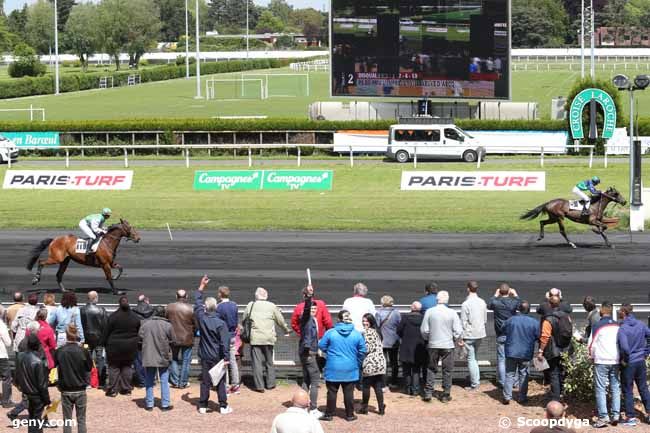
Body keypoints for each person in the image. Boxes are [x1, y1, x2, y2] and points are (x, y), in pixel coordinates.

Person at [318, 310, 366, 422]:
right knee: (349, 392)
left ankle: (329, 414)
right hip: (350, 367)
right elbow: (363, 350)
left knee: (332, 392)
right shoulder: (357, 334)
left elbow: (321, 345)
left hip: (333, 367)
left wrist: (329, 352)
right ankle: (350, 414)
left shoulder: (331, 332)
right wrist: (357, 362)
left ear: (338, 319)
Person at [194, 275, 232, 415]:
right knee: (220, 381)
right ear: (216, 307)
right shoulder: (221, 324)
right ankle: (223, 406)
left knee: (205, 381)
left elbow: (197, 302)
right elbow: (224, 343)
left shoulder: (202, 318)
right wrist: (227, 357)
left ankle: (203, 405)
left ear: (206, 307)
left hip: (205, 354)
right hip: (217, 355)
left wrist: (201, 286)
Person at [242, 287, 291, 392]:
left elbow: (244, 319)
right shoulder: (272, 306)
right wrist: (286, 330)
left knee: (257, 363)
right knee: (269, 362)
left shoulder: (251, 305)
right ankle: (270, 384)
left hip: (255, 338)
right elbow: (280, 321)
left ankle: (259, 386)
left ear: (256, 296)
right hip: (268, 337)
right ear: (266, 296)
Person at [420, 291, 463, 403]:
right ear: (447, 300)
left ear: (437, 300)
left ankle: (428, 392)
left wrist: (428, 338)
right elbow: (458, 331)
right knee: (447, 370)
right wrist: (453, 338)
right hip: (448, 344)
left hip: (433, 344)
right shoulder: (452, 313)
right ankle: (446, 393)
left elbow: (424, 330)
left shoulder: (430, 311)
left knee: (431, 368)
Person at [587, 301, 620, 428]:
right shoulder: (617, 325)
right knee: (615, 387)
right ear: (611, 311)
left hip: (601, 360)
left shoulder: (597, 325)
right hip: (615, 359)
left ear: (601, 310)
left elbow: (591, 344)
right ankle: (616, 415)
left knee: (601, 389)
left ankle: (603, 417)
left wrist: (591, 356)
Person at [617, 303, 650, 427]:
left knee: (627, 390)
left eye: (620, 311)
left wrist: (624, 359)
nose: (619, 312)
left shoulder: (623, 328)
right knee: (643, 388)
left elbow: (624, 347)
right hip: (640, 360)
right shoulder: (640, 324)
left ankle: (631, 417)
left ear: (624, 312)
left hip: (629, 362)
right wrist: (646, 351)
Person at [55, 324, 92, 433]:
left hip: (66, 388)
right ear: (76, 335)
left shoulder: (60, 351)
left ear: (66, 335)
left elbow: (53, 364)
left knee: (67, 420)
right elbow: (89, 368)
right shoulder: (83, 351)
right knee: (81, 420)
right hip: (80, 388)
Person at [502, 301, 539, 405]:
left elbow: (503, 329)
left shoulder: (510, 320)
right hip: (526, 352)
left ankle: (507, 396)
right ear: (529, 310)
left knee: (509, 374)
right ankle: (522, 397)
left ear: (519, 309)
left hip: (511, 351)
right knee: (524, 374)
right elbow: (538, 336)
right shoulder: (534, 322)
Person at [139, 306, 175, 411]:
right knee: (164, 379)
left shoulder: (145, 324)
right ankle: (165, 404)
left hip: (149, 354)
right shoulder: (167, 325)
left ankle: (149, 404)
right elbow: (173, 339)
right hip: (162, 354)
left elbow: (140, 336)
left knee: (149, 380)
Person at [103, 296, 140, 397]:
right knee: (127, 367)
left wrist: (104, 344)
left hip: (114, 346)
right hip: (130, 346)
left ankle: (113, 389)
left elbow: (106, 332)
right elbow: (138, 331)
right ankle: (126, 388)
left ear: (119, 304)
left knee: (113, 367)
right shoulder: (135, 317)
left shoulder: (113, 317)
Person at [537, 295, 572, 403]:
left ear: (549, 304)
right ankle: (562, 393)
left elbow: (545, 337)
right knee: (563, 372)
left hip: (553, 351)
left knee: (554, 374)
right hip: (565, 349)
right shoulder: (567, 317)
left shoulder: (548, 319)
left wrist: (540, 351)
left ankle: (556, 398)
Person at [487, 283, 521, 388]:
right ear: (509, 292)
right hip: (512, 334)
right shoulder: (513, 302)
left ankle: (502, 382)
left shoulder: (496, 303)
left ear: (500, 292)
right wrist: (515, 294)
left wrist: (495, 295)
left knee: (502, 359)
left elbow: (489, 304)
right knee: (513, 358)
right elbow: (521, 305)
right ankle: (514, 382)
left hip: (501, 333)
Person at [15, 334, 50, 433]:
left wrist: (21, 387)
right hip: (36, 395)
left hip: (27, 393)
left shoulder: (20, 357)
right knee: (36, 420)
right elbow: (42, 385)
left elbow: (17, 376)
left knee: (32, 419)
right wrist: (47, 400)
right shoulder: (38, 362)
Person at [298, 294, 322, 418]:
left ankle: (300, 405)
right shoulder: (306, 318)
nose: (313, 311)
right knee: (315, 380)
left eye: (314, 309)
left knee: (307, 380)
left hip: (307, 352)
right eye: (311, 309)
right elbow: (307, 310)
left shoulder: (313, 320)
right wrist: (308, 298)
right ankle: (313, 408)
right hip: (308, 353)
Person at [397, 301, 427, 396]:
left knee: (406, 370)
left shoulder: (405, 318)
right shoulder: (423, 319)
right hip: (419, 347)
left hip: (406, 346)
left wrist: (404, 337)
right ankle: (415, 390)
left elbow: (398, 330)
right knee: (416, 370)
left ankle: (408, 388)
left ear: (411, 308)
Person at [460, 281, 487, 391]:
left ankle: (475, 383)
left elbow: (463, 322)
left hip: (469, 335)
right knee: (474, 358)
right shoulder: (482, 302)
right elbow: (484, 319)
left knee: (471, 359)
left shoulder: (465, 304)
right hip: (480, 334)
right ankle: (476, 381)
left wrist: (461, 337)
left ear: (468, 289)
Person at [167, 289, 195, 390]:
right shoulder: (191, 308)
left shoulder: (169, 307)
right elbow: (196, 324)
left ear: (176, 296)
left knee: (173, 359)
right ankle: (183, 382)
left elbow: (166, 321)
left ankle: (174, 381)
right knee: (186, 361)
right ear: (186, 296)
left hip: (173, 337)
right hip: (187, 338)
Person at [359, 313, 386, 415]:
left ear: (371, 322)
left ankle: (364, 408)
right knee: (377, 386)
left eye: (366, 321)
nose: (364, 323)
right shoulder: (377, 332)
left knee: (366, 386)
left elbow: (367, 349)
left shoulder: (367, 332)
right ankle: (381, 408)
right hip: (380, 361)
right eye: (363, 320)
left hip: (371, 361)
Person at [79, 291, 107, 388]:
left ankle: (87, 382)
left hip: (86, 338)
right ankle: (101, 382)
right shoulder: (101, 310)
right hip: (99, 338)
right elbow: (105, 325)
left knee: (87, 359)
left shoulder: (82, 310)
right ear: (95, 298)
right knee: (100, 359)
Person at [216, 285, 239, 393]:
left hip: (223, 337)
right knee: (233, 360)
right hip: (233, 335)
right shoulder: (234, 305)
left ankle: (225, 385)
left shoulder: (218, 307)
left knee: (224, 360)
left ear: (220, 294)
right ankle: (235, 384)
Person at [375, 295, 401, 387]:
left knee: (383, 362)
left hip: (382, 340)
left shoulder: (378, 313)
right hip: (393, 340)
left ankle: (383, 383)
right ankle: (394, 381)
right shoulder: (396, 313)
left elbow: (377, 326)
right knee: (394, 362)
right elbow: (399, 325)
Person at [132, 294, 154, 387]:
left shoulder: (133, 311)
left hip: (138, 338)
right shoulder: (153, 311)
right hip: (150, 338)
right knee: (151, 360)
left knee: (138, 360)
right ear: (147, 301)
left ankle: (142, 381)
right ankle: (150, 380)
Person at [0, 306, 14, 408]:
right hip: (1, 355)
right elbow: (8, 343)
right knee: (6, 378)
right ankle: (6, 401)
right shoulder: (1, 325)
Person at [35, 308, 56, 372]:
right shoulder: (48, 329)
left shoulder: (31, 326)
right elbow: (53, 345)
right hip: (44, 355)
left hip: (32, 354)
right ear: (46, 317)